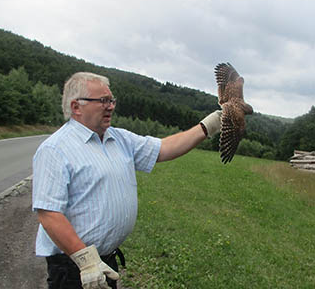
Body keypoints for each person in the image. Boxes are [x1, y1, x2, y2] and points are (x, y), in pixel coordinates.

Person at [32, 72, 221, 289]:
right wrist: (86, 261)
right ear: (76, 107)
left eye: (111, 100)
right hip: (74, 267)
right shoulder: (55, 150)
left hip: (105, 261)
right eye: (103, 101)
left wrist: (210, 125)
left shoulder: (119, 138)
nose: (110, 106)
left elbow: (164, 149)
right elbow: (49, 214)